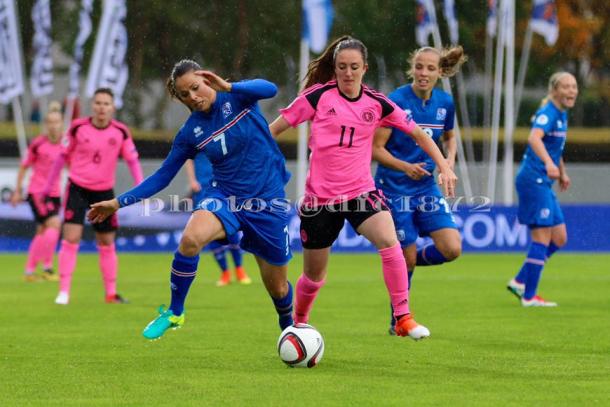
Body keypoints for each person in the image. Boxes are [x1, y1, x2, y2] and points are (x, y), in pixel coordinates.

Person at [88, 60, 294, 340]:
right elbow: (162, 176)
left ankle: (289, 327)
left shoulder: (239, 96)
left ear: (207, 79)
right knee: (190, 239)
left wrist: (229, 85)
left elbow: (269, 88)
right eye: (185, 94)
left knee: (278, 288)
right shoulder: (189, 133)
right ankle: (175, 312)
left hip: (266, 200)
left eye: (196, 88)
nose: (193, 97)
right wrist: (117, 202)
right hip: (225, 197)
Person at [269, 36, 457, 340]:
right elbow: (274, 130)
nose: (347, 73)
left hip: (361, 193)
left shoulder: (378, 103)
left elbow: (421, 135)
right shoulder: (317, 97)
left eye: (354, 67)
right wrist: (257, 163)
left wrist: (445, 166)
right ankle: (299, 322)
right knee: (314, 276)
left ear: (364, 68)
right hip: (320, 200)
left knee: (389, 241)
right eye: (342, 67)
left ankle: (402, 317)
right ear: (335, 67)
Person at [372, 46, 466, 334]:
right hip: (394, 187)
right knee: (406, 255)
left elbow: (450, 138)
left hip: (426, 188)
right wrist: (404, 166)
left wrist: (448, 161)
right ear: (412, 68)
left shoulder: (445, 103)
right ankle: (397, 321)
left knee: (451, 248)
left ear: (441, 72)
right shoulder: (396, 100)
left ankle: (403, 265)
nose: (424, 73)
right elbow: (375, 148)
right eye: (420, 67)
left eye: (431, 68)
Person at [44, 88, 144, 305]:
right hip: (77, 188)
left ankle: (110, 293)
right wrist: (49, 186)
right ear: (93, 105)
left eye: (106, 104)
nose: (102, 108)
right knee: (71, 239)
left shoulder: (121, 131)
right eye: (98, 103)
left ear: (113, 107)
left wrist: (141, 188)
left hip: (104, 193)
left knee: (107, 242)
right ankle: (63, 292)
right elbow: (61, 158)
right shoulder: (78, 127)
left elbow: (133, 161)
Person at [507, 72, 578, 307]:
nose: (571, 91)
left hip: (544, 182)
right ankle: (529, 296)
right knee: (542, 237)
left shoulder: (561, 114)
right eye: (566, 87)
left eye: (574, 87)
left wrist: (561, 170)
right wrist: (548, 164)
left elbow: (554, 147)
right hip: (533, 180)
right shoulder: (548, 112)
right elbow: (534, 139)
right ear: (555, 90)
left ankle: (519, 280)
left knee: (559, 238)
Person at [11, 102, 64, 282]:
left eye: (56, 122)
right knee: (54, 224)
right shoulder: (38, 144)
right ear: (46, 124)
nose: (53, 126)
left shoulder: (66, 144)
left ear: (62, 123)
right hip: (38, 192)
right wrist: (18, 190)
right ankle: (47, 267)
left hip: (55, 192)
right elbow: (24, 166)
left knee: (42, 231)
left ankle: (30, 271)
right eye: (50, 122)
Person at [184, 158, 251, 286]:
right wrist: (192, 180)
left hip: (223, 189)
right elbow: (188, 158)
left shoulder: (224, 139)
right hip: (202, 189)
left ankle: (239, 269)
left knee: (231, 227)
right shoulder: (196, 139)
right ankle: (225, 272)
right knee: (207, 232)